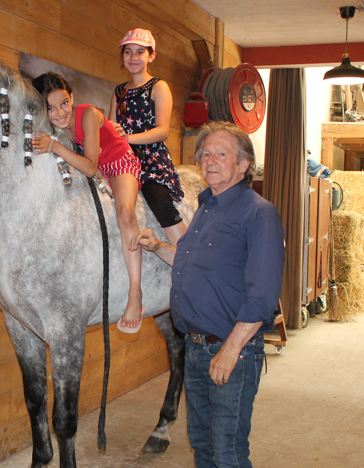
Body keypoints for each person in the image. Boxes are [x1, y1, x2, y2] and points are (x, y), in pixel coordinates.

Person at [130, 121, 285, 467]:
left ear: (243, 165)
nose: (210, 160)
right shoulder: (205, 208)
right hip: (196, 350)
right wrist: (158, 248)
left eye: (221, 154)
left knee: (227, 451)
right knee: (202, 445)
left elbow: (262, 297)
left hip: (231, 350)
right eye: (206, 154)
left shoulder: (259, 214)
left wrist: (230, 351)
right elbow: (191, 265)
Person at [31, 72, 145, 333]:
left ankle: (135, 293)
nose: (60, 113)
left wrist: (54, 147)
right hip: (99, 170)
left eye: (63, 103)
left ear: (72, 98)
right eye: (50, 108)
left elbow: (91, 167)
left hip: (118, 163)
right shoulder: (57, 129)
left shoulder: (88, 114)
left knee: (126, 213)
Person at [109, 28, 187, 247]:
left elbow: (162, 131)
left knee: (159, 200)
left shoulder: (159, 87)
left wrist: (128, 138)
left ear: (151, 56)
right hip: (123, 160)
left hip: (151, 160)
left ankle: (188, 252)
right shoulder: (119, 91)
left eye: (140, 52)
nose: (133, 57)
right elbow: (112, 126)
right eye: (128, 52)